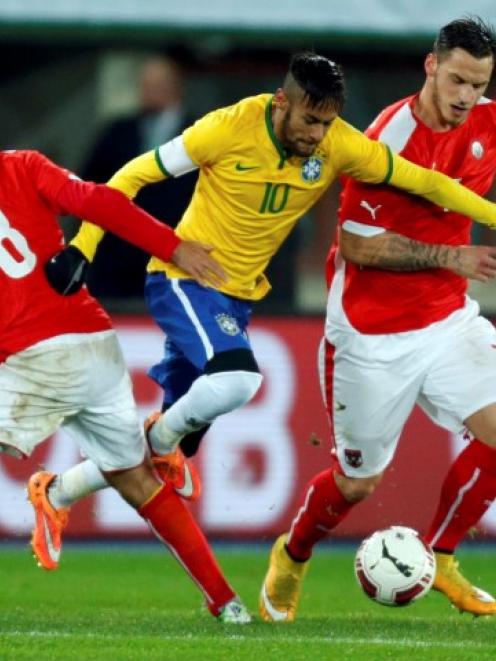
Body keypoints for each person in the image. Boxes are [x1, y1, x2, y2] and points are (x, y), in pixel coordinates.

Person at [39, 49, 496, 569]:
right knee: (236, 381)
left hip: (236, 297)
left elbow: (430, 184)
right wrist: (84, 247)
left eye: (327, 123)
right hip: (183, 278)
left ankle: (57, 491)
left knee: (164, 439)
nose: (316, 135)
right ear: (283, 102)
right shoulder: (225, 129)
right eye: (309, 120)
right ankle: (162, 440)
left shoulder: (340, 144)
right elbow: (129, 177)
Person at [259, 17, 496, 622]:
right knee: (357, 483)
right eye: (459, 79)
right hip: (372, 337)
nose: (467, 96)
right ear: (431, 66)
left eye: (480, 83)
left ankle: (439, 556)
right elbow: (359, 246)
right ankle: (292, 555)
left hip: (447, 322)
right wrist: (455, 256)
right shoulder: (387, 136)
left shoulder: (488, 125)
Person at [0, 148, 250, 624]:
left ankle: (75, 483)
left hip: (32, 359)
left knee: (136, 474)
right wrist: (172, 246)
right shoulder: (22, 164)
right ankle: (226, 602)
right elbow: (101, 202)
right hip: (93, 343)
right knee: (136, 477)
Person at [81, 54, 198, 298]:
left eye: (156, 85)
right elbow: (88, 188)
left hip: (176, 260)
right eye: (144, 85)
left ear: (175, 87)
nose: (148, 92)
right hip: (116, 263)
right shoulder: (117, 132)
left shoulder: (199, 135)